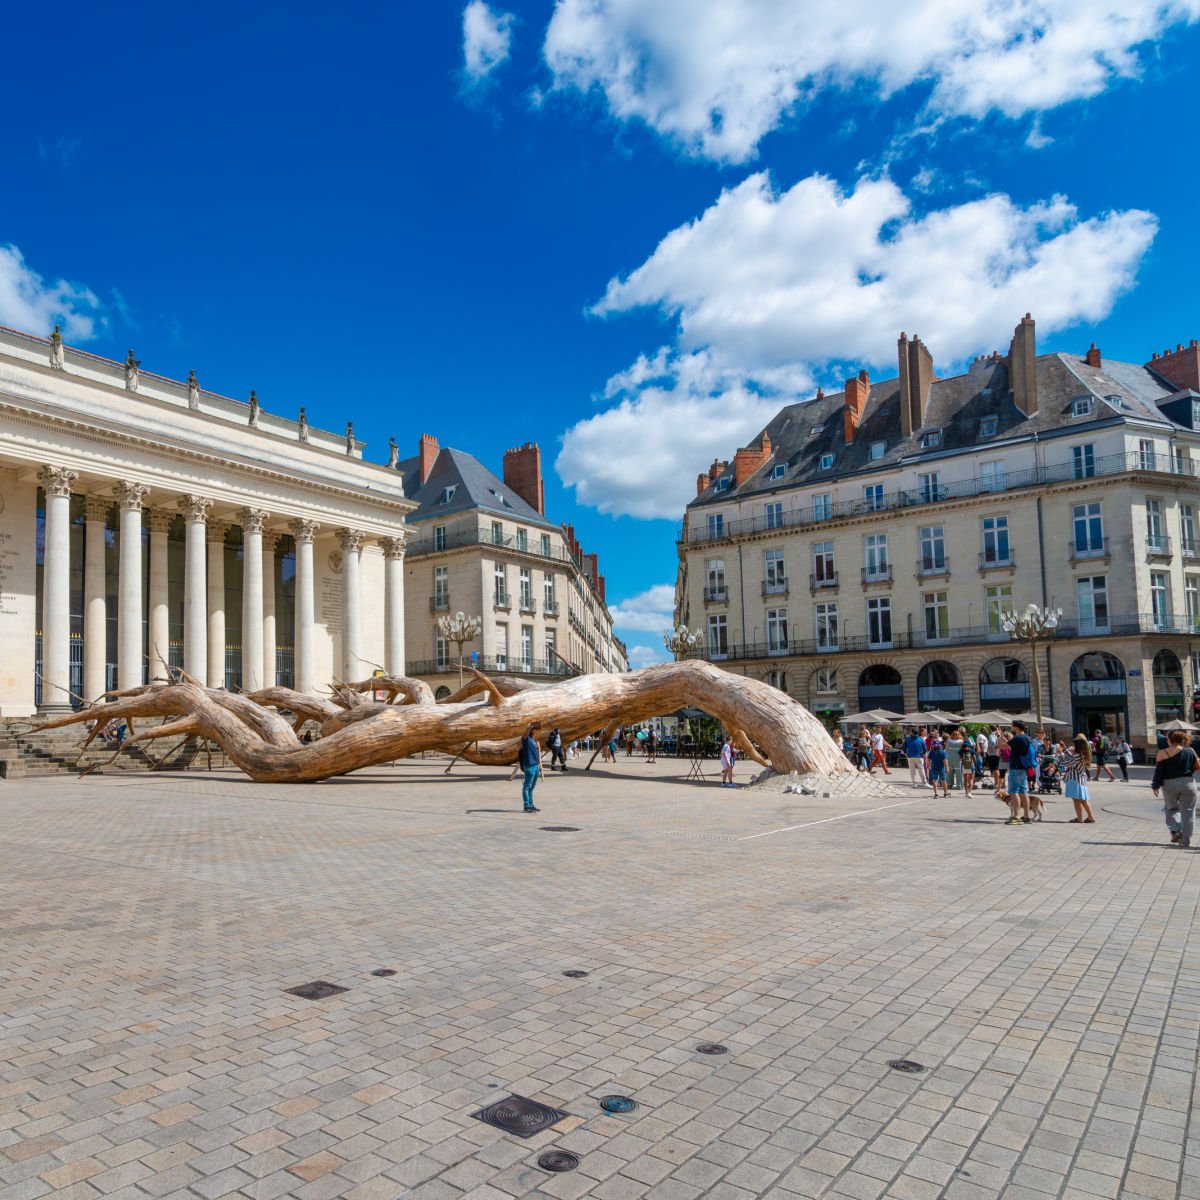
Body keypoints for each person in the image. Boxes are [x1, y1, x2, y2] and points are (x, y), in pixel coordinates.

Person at [1152, 730, 1198, 847]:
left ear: (1169, 740)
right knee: (1188, 812)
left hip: (1169, 784)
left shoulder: (1162, 752)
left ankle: (1176, 830)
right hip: (1188, 783)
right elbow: (1197, 766)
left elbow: (1159, 771)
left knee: (1171, 809)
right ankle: (1185, 841)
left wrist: (1155, 785)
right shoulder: (1190, 750)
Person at [1005, 721, 1033, 824]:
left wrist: (1000, 737)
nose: (1011, 728)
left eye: (1012, 726)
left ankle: (1016, 817)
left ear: (1016, 728)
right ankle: (1026, 816)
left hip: (1016, 767)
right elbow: (1010, 746)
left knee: (1013, 791)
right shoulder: (1027, 738)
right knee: (1023, 792)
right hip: (1024, 767)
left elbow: (1002, 746)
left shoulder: (1017, 738)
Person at [1063, 734, 1095, 824]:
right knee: (1084, 799)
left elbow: (1065, 763)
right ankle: (1090, 817)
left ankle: (1080, 818)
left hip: (1074, 779)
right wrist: (1068, 751)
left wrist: (1064, 752)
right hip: (1081, 779)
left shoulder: (1077, 756)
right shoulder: (1084, 754)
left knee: (1076, 799)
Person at [519, 723, 542, 812]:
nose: (534, 731)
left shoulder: (532, 740)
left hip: (535, 766)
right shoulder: (525, 739)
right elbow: (525, 734)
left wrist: (539, 766)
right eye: (533, 730)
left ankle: (531, 804)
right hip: (529, 766)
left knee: (532, 787)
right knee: (527, 786)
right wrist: (529, 727)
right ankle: (526, 805)